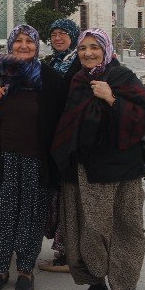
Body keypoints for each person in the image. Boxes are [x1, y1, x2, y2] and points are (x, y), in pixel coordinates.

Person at [52, 28, 145, 290]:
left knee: (123, 227)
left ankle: (125, 289)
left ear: (106, 49)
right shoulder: (79, 80)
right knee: (85, 228)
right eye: (83, 48)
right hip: (82, 167)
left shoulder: (121, 77)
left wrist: (112, 100)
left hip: (119, 170)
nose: (88, 53)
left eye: (94, 47)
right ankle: (94, 282)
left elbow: (142, 117)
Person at [0, 24, 66, 290]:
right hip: (1, 159)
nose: (24, 46)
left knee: (30, 216)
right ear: (10, 45)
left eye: (29, 41)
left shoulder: (50, 79)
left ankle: (25, 269)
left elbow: (60, 120)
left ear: (37, 45)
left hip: (36, 162)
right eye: (18, 41)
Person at [38, 18, 82, 273]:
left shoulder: (79, 63)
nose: (58, 38)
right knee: (58, 196)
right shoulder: (50, 63)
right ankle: (64, 252)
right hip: (52, 140)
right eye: (54, 33)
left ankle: (70, 255)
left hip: (71, 141)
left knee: (71, 198)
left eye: (63, 33)